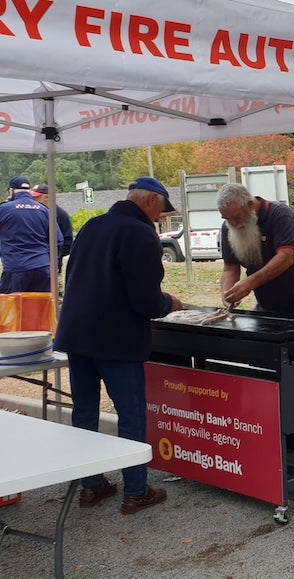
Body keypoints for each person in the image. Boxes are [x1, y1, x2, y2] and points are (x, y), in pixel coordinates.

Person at [55, 176, 182, 515]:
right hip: (116, 338)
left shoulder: (92, 226)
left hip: (77, 334)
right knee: (131, 415)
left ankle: (91, 486)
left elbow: (75, 277)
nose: (160, 218)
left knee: (84, 413)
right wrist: (169, 303)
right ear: (151, 200)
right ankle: (136, 492)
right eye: (161, 211)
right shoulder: (140, 233)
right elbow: (145, 300)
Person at [218, 183, 294, 317]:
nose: (233, 224)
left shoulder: (280, 214)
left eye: (236, 217)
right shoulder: (228, 227)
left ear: (250, 205)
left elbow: (286, 257)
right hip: (266, 297)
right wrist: (228, 293)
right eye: (227, 219)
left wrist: (249, 283)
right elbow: (230, 268)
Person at [0, 177, 58, 293]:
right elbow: (58, 240)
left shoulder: (4, 210)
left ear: (11, 191)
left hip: (16, 268)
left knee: (13, 303)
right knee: (40, 304)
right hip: (42, 267)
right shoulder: (44, 210)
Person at [30, 184, 73, 272]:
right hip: (33, 266)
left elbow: (68, 243)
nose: (33, 200)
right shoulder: (33, 214)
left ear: (46, 197)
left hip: (53, 267)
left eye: (36, 197)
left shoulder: (61, 215)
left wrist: (49, 256)